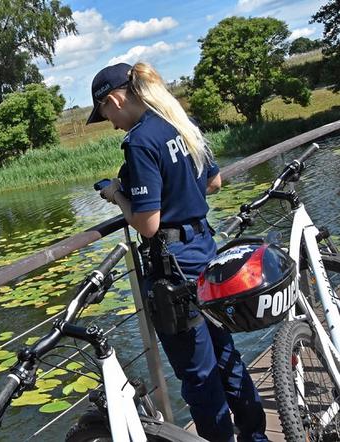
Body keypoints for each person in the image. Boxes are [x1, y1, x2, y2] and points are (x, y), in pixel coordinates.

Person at [87, 62, 267, 442]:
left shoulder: (139, 142)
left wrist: (116, 193)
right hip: (206, 252)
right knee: (226, 356)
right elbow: (214, 182)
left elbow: (148, 224)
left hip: (174, 272)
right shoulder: (179, 122)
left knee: (199, 378)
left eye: (105, 114)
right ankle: (256, 436)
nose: (112, 124)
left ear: (115, 100)